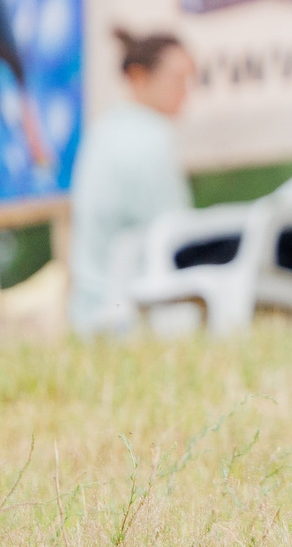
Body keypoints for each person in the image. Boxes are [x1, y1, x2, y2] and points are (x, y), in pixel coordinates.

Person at [66, 28, 195, 335]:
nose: (185, 91)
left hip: (88, 310)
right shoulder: (151, 136)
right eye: (176, 79)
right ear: (139, 76)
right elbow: (176, 232)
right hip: (139, 316)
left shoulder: (103, 129)